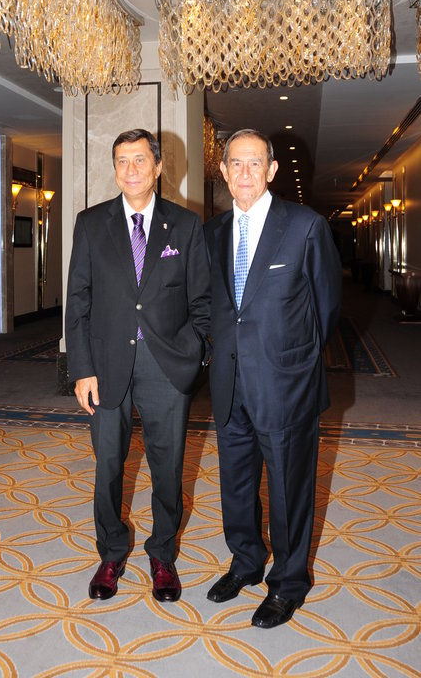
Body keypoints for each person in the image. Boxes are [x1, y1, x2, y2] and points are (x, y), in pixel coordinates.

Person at [65, 129, 210, 603]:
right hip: (106, 366)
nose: (130, 169)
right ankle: (111, 552)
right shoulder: (91, 224)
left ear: (158, 167)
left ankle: (162, 554)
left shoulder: (185, 225)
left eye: (140, 160)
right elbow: (78, 301)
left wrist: (195, 351)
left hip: (166, 365)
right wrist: (81, 368)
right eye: (122, 160)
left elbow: (202, 300)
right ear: (114, 169)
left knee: (168, 467)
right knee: (108, 463)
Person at [204, 129, 341, 629]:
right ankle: (245, 562)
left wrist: (296, 366)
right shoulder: (212, 232)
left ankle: (288, 583)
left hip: (286, 387)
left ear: (272, 170)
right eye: (236, 164)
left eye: (255, 163)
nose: (245, 173)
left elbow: (326, 309)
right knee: (236, 485)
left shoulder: (304, 226)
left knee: (288, 491)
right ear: (223, 171)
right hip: (230, 383)